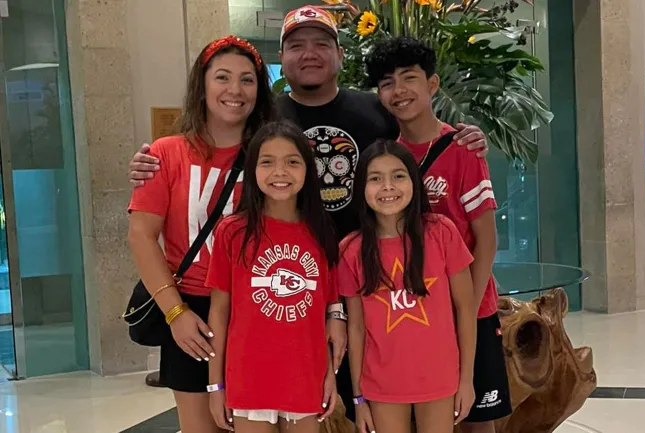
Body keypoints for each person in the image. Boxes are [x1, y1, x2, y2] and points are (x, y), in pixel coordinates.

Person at [127, 6, 490, 420]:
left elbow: (416, 131)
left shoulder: (375, 111)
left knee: (356, 410)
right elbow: (150, 221)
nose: (309, 53)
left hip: (358, 289)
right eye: (296, 45)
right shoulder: (266, 120)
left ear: (339, 53)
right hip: (258, 298)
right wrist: (146, 163)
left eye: (321, 43)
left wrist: (463, 138)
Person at [127, 35, 275, 433]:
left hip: (259, 307)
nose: (234, 90)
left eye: (247, 80)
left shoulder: (273, 156)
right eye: (222, 77)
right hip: (191, 310)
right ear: (202, 84)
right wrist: (175, 313)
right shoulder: (166, 153)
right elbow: (142, 235)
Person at [364, 36, 511, 433]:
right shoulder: (387, 158)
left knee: (476, 419)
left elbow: (486, 238)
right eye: (388, 83)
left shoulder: (462, 148)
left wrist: (466, 309)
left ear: (432, 84)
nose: (399, 91)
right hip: (411, 315)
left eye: (409, 78)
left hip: (469, 310)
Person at [205, 121, 339, 433]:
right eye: (267, 162)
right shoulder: (232, 232)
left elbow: (324, 315)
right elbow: (219, 312)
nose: (280, 172)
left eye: (292, 162)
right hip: (249, 377)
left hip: (306, 376)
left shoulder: (321, 233)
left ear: (308, 170)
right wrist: (215, 385)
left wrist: (330, 372)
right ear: (252, 170)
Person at [339, 140, 477, 433]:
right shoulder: (351, 250)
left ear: (414, 182)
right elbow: (356, 328)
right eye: (375, 178)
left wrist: (466, 380)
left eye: (398, 176)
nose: (388, 186)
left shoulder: (441, 233)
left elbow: (465, 309)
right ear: (361, 188)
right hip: (382, 384)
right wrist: (358, 397)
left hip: (440, 378)